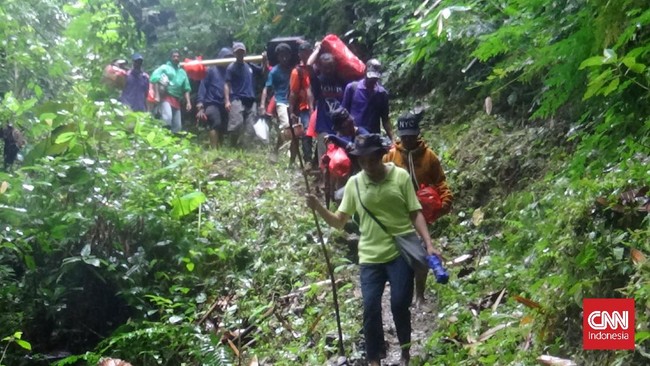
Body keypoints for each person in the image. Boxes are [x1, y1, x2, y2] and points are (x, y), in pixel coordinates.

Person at [306, 134, 443, 366]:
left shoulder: (400, 177)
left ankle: (405, 352)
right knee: (370, 308)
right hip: (370, 255)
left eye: (372, 160)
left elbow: (414, 212)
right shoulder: (355, 184)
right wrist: (318, 207)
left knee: (399, 304)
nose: (368, 165)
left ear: (381, 156)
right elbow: (340, 221)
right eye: (363, 161)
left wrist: (428, 243)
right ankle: (373, 359)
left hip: (399, 251)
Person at [383, 109, 453, 306]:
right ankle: (402, 292)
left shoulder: (429, 157)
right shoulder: (390, 158)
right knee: (401, 257)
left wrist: (445, 200)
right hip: (398, 213)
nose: (408, 140)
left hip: (421, 213)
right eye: (404, 137)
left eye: (411, 136)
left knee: (423, 255)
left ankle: (420, 295)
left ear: (417, 134)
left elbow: (440, 182)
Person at [224, 42, 266, 148]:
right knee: (236, 124)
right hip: (237, 98)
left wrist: (265, 60)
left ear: (245, 52)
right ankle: (232, 146)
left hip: (250, 99)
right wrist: (227, 101)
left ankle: (244, 148)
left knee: (250, 126)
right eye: (238, 52)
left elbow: (262, 71)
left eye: (242, 52)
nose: (240, 54)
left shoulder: (250, 66)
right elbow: (227, 84)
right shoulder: (231, 67)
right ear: (234, 53)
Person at [309, 51, 348, 162]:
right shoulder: (318, 82)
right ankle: (324, 179)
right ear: (320, 67)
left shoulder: (342, 81)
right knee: (324, 160)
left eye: (331, 67)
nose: (328, 70)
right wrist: (318, 48)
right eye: (325, 67)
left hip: (342, 127)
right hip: (324, 126)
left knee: (341, 160)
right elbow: (308, 66)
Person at [342, 59, 393, 140]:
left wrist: (393, 139)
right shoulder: (352, 88)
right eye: (370, 77)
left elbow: (385, 119)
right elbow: (343, 114)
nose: (372, 80)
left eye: (374, 78)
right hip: (354, 136)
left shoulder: (382, 93)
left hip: (372, 138)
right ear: (365, 72)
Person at [260, 43, 295, 164]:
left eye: (286, 55)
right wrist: (262, 105)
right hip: (281, 101)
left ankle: (290, 159)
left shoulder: (293, 70)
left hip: (293, 102)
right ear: (278, 57)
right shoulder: (274, 72)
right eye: (281, 56)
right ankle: (276, 151)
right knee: (287, 127)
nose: (284, 58)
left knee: (295, 130)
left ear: (289, 56)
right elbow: (266, 88)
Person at [197, 47, 234, 149]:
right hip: (212, 102)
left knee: (223, 127)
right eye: (226, 57)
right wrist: (200, 103)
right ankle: (213, 149)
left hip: (225, 103)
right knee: (216, 123)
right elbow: (203, 86)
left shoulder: (230, 71)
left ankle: (220, 149)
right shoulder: (211, 70)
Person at [150, 50, 192, 133]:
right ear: (170, 58)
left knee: (178, 126)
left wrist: (188, 102)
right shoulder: (164, 67)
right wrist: (157, 96)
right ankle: (161, 137)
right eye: (174, 56)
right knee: (167, 119)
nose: (176, 58)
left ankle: (172, 143)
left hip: (177, 100)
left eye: (177, 56)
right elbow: (154, 77)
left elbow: (186, 88)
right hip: (166, 97)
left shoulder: (182, 72)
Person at [289, 41, 315, 168]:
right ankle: (308, 160)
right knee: (306, 132)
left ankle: (316, 160)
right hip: (304, 107)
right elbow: (293, 93)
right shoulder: (297, 72)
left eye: (308, 54)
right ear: (300, 55)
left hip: (318, 105)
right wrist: (291, 111)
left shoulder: (316, 68)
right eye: (303, 54)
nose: (306, 57)